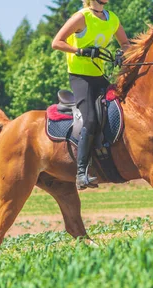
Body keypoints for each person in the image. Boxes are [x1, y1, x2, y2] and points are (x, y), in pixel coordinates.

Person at [52, 0, 130, 190]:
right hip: (80, 78)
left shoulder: (112, 19)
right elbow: (56, 43)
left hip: (100, 75)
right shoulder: (81, 17)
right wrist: (80, 51)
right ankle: (81, 173)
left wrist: (122, 54)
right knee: (91, 119)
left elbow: (126, 43)